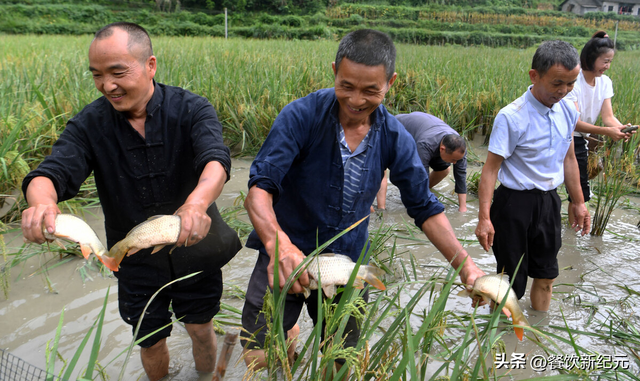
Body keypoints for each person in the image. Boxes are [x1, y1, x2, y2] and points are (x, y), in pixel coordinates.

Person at [240, 29, 485, 378]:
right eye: (347, 86)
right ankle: (287, 351)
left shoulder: (394, 136)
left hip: (348, 264)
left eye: (371, 90)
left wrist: (467, 267)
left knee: (340, 360)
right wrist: (278, 245)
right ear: (335, 71)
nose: (356, 100)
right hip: (285, 252)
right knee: (259, 355)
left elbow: (424, 207)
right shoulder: (301, 116)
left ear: (391, 82)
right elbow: (259, 189)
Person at [20, 22, 241, 381]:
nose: (107, 85)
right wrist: (41, 203)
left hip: (195, 246)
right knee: (150, 341)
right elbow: (51, 173)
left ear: (150, 65)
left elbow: (216, 159)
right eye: (97, 75)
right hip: (133, 260)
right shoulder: (89, 126)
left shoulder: (191, 109)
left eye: (117, 72)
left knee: (201, 329)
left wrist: (197, 204)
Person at [475, 40, 590, 313]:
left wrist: (578, 202)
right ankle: (501, 340)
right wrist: (483, 218)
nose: (563, 91)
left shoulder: (568, 110)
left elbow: (569, 158)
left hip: (549, 203)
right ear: (534, 75)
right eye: (557, 83)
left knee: (547, 275)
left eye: (571, 83)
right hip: (513, 204)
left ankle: (538, 336)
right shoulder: (511, 117)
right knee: (510, 283)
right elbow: (490, 169)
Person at [564, 31, 634, 225]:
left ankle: (573, 232)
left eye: (610, 62)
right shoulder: (574, 81)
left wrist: (621, 128)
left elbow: (608, 117)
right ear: (591, 58)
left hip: (583, 138)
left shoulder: (605, 83)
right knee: (570, 188)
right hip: (568, 136)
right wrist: (606, 132)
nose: (607, 66)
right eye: (605, 61)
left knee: (579, 190)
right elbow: (573, 122)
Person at [375, 112, 468, 212]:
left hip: (426, 130)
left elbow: (461, 175)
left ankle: (417, 194)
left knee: (444, 170)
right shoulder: (425, 144)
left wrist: (463, 208)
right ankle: (381, 210)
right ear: (442, 149)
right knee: (381, 166)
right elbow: (421, 175)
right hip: (396, 129)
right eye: (453, 160)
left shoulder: (459, 148)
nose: (455, 162)